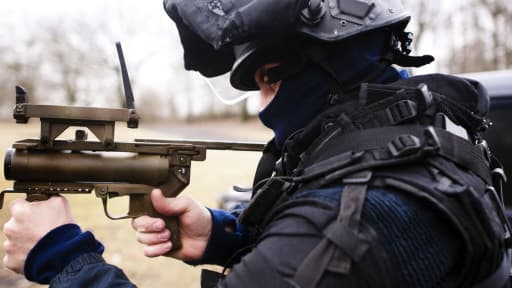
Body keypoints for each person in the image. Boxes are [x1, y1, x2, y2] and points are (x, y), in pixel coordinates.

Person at [3, 0, 511, 287]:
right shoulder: (416, 135)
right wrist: (226, 236)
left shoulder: (363, 209)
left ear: (321, 68)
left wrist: (62, 256)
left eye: (267, 81)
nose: (264, 107)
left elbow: (335, 245)